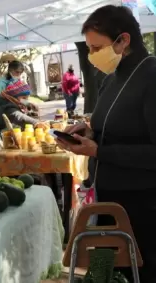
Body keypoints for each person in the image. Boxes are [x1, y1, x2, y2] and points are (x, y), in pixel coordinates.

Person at [56, 5, 156, 282]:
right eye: (88, 49)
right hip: (103, 201)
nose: (92, 56)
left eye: (97, 48)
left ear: (123, 40)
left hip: (141, 208)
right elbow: (114, 129)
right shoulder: (111, 79)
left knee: (140, 274)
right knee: (102, 274)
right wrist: (88, 133)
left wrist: (100, 151)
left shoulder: (151, 76)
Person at [0, 60, 25, 127]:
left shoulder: (16, 83)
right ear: (10, 71)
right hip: (0, 120)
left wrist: (25, 104)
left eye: (20, 73)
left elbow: (18, 99)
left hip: (13, 119)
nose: (19, 75)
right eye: (17, 72)